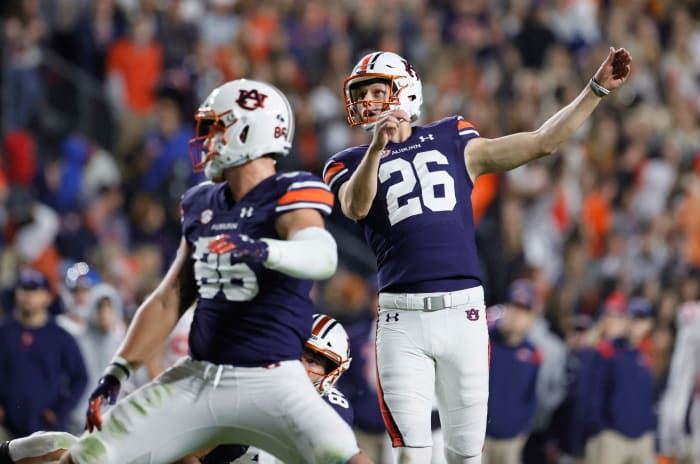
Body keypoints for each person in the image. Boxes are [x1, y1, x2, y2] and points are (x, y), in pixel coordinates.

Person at [322, 48, 632, 463]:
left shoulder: (453, 137)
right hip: (401, 318)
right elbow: (356, 206)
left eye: (378, 89)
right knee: (411, 456)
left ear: (407, 92)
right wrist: (377, 149)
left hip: (463, 314)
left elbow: (543, 142)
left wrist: (594, 90)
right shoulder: (348, 162)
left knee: (466, 455)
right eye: (362, 93)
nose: (368, 101)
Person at [59, 79, 370, 464]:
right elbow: (169, 298)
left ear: (245, 130)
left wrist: (259, 248)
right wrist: (118, 372)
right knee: (87, 455)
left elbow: (321, 256)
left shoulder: (290, 191)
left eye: (215, 129)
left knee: (343, 457)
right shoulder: (202, 202)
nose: (206, 141)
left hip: (272, 379)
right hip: (200, 376)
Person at [0, 269, 88, 438]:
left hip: (46, 428)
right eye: (24, 289)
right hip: (7, 427)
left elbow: (80, 377)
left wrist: (59, 410)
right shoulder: (4, 332)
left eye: (35, 290)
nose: (28, 296)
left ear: (47, 296)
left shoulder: (60, 336)